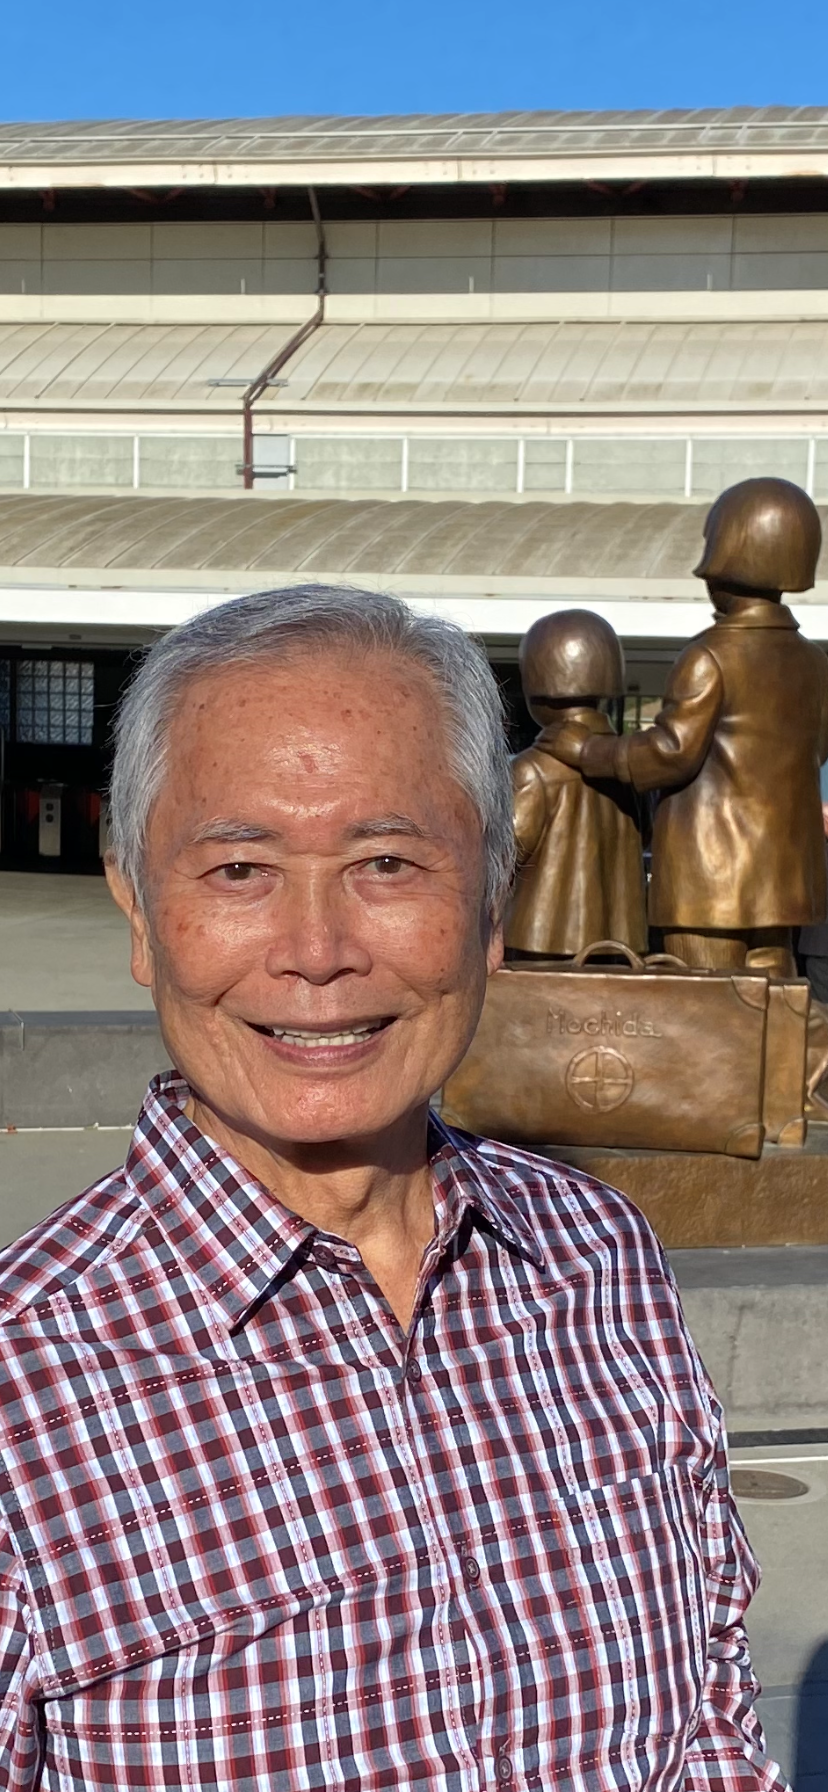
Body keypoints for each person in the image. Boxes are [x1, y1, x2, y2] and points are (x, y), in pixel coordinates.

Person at [0, 586, 787, 1792]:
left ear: (489, 904)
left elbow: (706, 1699)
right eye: (241, 865)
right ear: (142, 906)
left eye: (386, 860)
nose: (317, 950)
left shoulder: (598, 1258)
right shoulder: (27, 1383)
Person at [554, 478, 828, 977]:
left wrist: (590, 750)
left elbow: (670, 751)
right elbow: (817, 751)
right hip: (784, 879)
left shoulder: (709, 656)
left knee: (707, 1010)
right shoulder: (815, 664)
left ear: (722, 567)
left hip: (709, 881)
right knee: (775, 1011)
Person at [505, 610, 647, 958]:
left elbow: (501, 856)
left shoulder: (531, 770)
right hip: (618, 944)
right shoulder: (630, 771)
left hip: (538, 943)